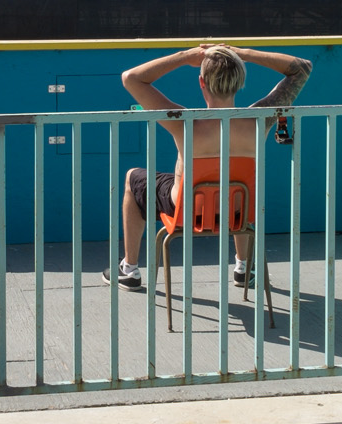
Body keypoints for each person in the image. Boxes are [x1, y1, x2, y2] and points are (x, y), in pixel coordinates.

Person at [104, 44, 313, 290]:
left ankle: (129, 269)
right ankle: (244, 267)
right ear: (240, 81)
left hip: (187, 211)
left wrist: (184, 56)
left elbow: (131, 78)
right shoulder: (259, 120)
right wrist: (241, 53)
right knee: (231, 183)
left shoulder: (184, 121)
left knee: (133, 178)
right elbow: (302, 68)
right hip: (238, 211)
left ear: (202, 83)